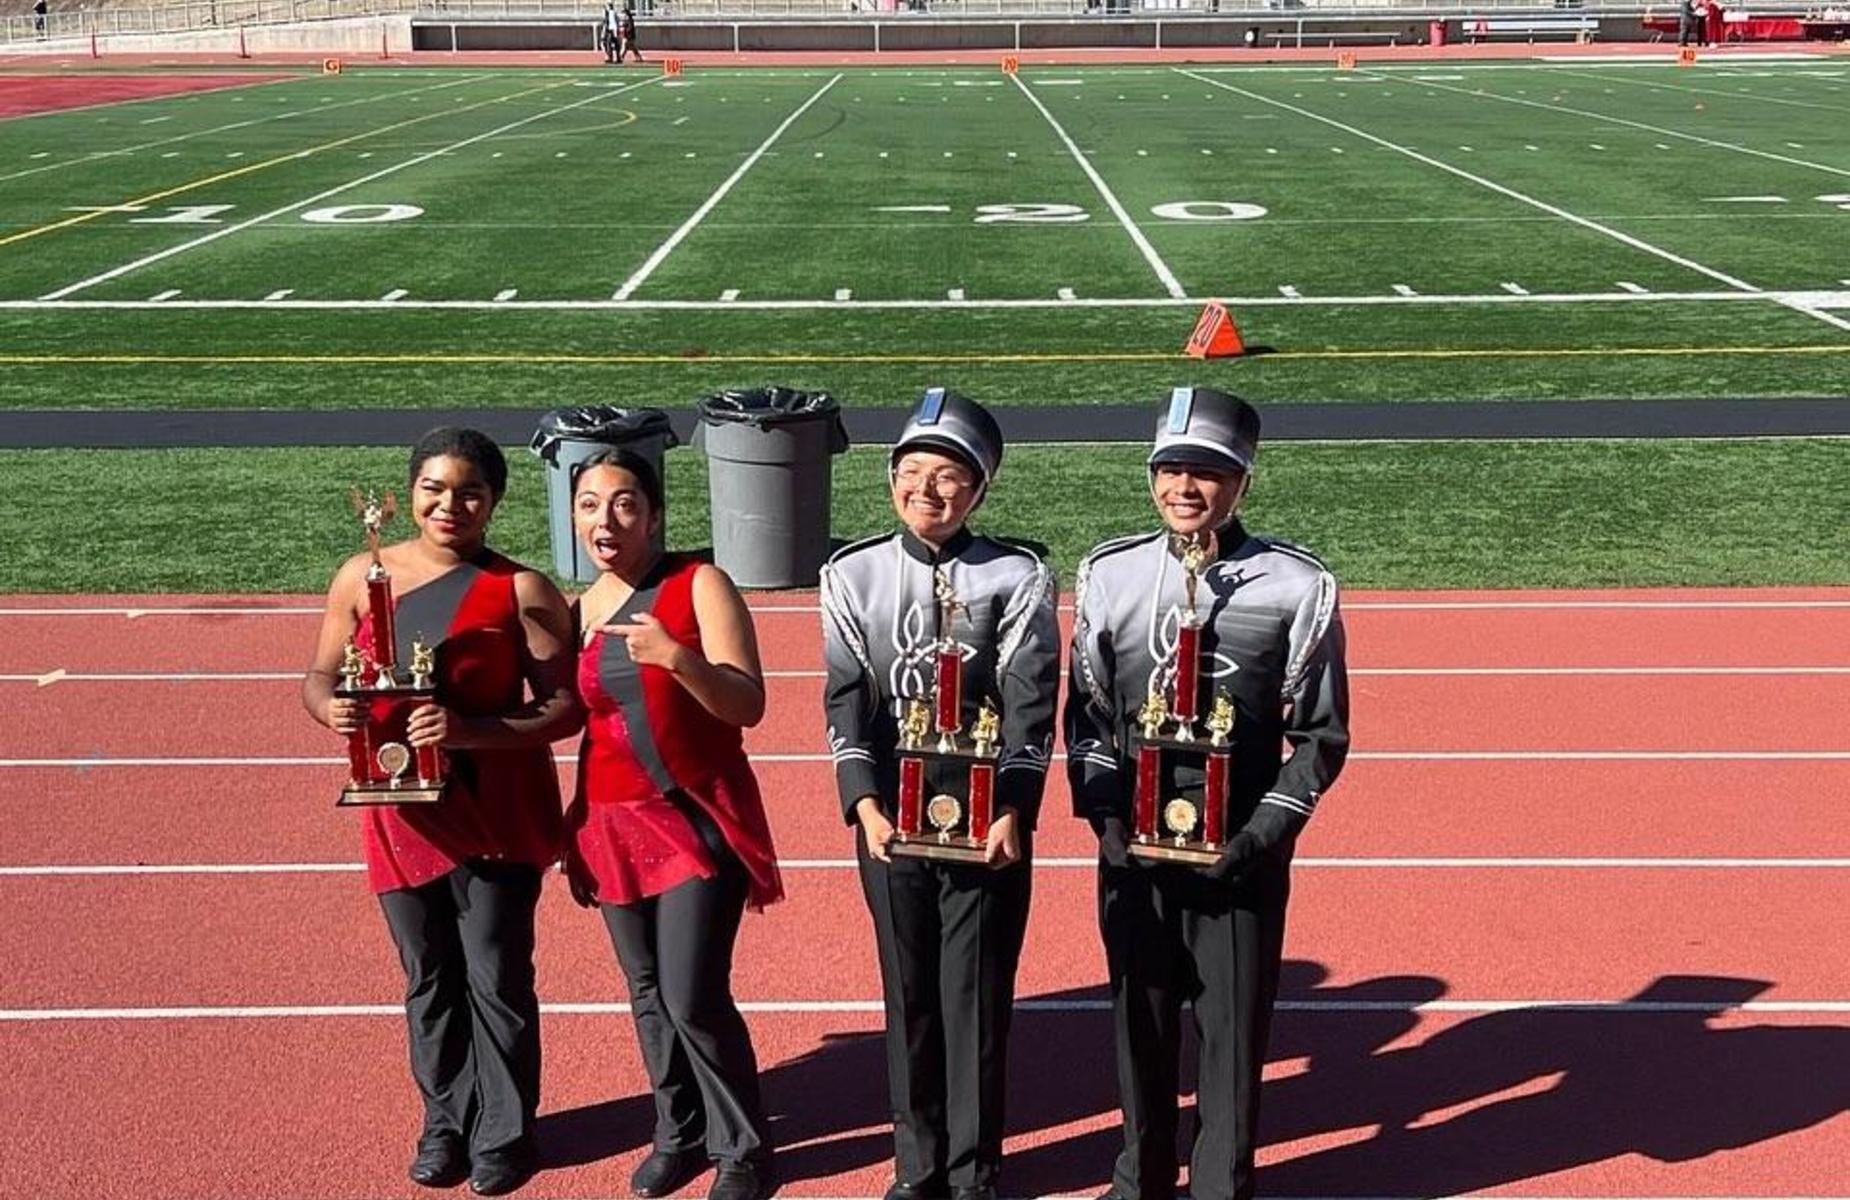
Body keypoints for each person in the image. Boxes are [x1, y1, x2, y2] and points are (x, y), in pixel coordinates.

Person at [1065, 388, 1350, 1200]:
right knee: (1139, 1027)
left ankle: (1222, 1183)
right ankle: (1140, 1180)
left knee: (1231, 1039)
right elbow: (1085, 713)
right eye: (1170, 469)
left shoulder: (1297, 585)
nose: (1185, 487)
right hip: (1135, 851)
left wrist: (1258, 836)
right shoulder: (1110, 573)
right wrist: (1105, 815)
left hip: (1240, 854)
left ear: (1244, 481)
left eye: (1208, 472)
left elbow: (1322, 737)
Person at [302, 428, 578, 1197]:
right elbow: (321, 675)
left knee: (495, 977)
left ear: (494, 500)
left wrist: (471, 732)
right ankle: (444, 1123)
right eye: (433, 488)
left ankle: (506, 1134)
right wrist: (333, 712)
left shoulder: (521, 590)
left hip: (496, 813)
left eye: (469, 491)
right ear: (408, 493)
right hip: (398, 814)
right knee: (427, 978)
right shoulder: (362, 575)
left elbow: (564, 708)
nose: (449, 504)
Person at [820, 389, 1061, 1200]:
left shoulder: (1018, 574)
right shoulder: (851, 573)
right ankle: (917, 1164)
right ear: (890, 478)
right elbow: (845, 695)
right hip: (890, 819)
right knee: (911, 993)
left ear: (980, 488)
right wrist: (863, 802)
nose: (927, 489)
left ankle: (975, 1169)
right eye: (912, 471)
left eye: (950, 475)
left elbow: (1033, 703)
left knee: (978, 997)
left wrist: (1013, 809)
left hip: (988, 821)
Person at [562, 449, 783, 1200]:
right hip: (611, 825)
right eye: (588, 504)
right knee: (649, 993)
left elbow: (747, 704)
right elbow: (597, 723)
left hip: (693, 815)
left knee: (693, 994)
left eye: (624, 503)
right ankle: (678, 1132)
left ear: (655, 514)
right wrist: (574, 821)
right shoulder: (584, 606)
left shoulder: (698, 585)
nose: (605, 519)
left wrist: (677, 657)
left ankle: (746, 1150)